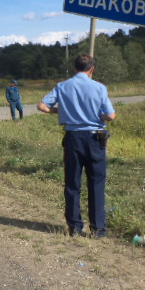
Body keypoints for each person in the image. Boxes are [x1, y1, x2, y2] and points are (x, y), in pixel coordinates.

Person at [37, 54, 116, 238]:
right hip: (95, 138)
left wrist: (59, 111)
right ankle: (97, 229)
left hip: (73, 138)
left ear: (75, 68)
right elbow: (111, 116)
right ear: (92, 69)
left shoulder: (62, 86)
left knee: (72, 183)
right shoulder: (99, 87)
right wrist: (98, 116)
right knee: (96, 182)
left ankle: (74, 227)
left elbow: (41, 106)